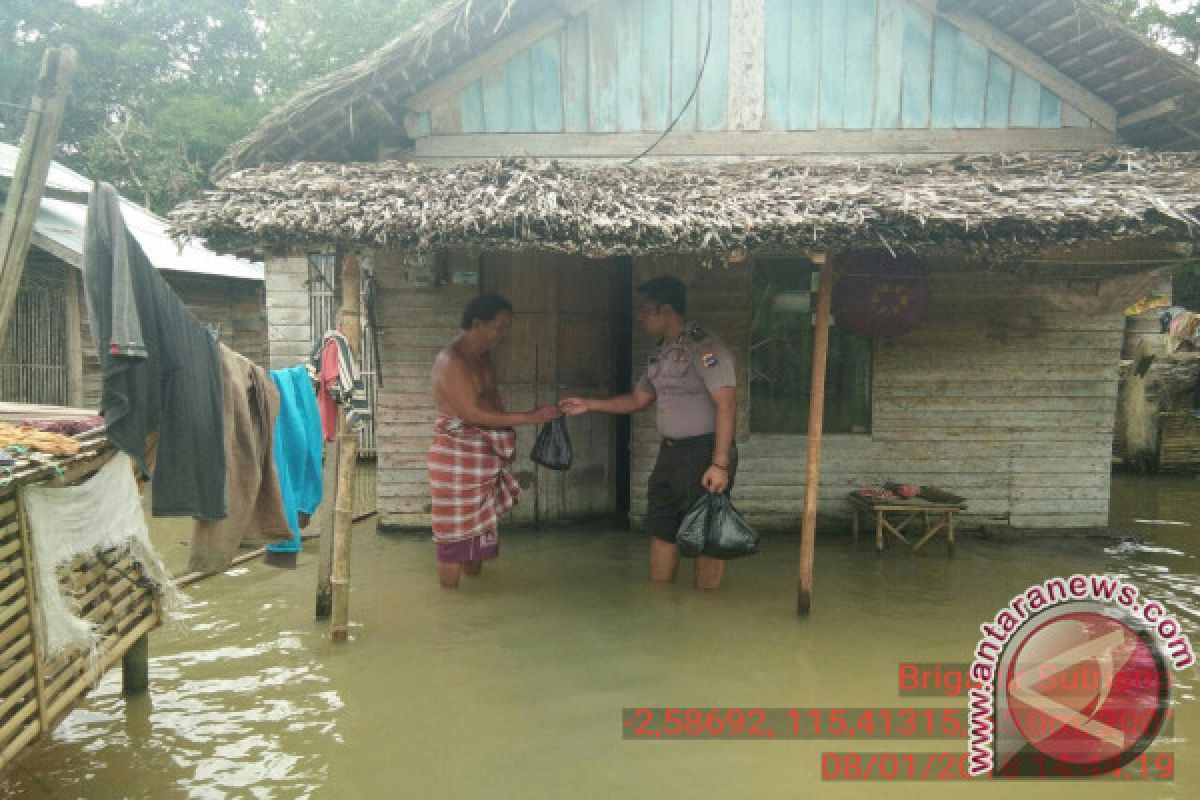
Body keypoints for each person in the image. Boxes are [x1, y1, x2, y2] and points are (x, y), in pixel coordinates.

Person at [561, 276, 737, 590]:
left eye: (646, 310)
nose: (640, 317)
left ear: (666, 311)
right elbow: (637, 400)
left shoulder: (706, 348)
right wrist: (588, 404)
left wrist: (720, 464)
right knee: (661, 526)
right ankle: (659, 603)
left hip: (704, 453)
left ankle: (706, 614)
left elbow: (726, 404)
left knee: (705, 531)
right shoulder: (660, 354)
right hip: (670, 453)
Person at [428, 293, 560, 588]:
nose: (503, 335)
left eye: (506, 328)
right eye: (499, 327)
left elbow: (492, 402)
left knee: (479, 530)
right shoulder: (451, 360)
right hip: (456, 457)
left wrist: (503, 445)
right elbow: (471, 413)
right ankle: (451, 607)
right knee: (452, 540)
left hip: (482, 457)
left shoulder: (483, 357)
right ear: (477, 324)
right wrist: (529, 418)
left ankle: (474, 594)